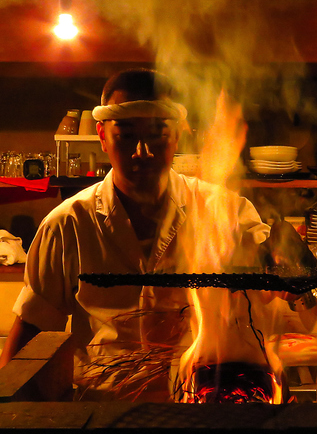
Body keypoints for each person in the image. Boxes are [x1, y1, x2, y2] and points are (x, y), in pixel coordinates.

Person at [0, 68, 272, 401]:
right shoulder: (68, 225)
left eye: (157, 133)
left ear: (176, 136)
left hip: (199, 405)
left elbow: (270, 268)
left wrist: (282, 262)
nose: (142, 151)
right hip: (102, 408)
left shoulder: (225, 211)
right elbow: (31, 331)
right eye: (126, 135)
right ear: (102, 136)